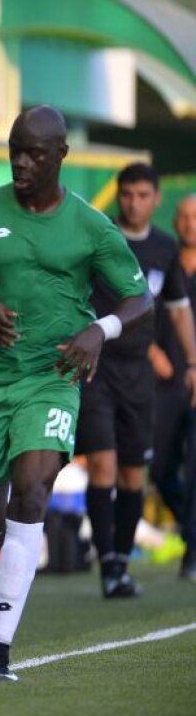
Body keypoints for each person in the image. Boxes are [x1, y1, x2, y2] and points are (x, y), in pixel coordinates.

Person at [0, 105, 152, 682]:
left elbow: (140, 299)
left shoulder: (90, 225)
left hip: (51, 377)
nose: (21, 162)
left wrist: (98, 329)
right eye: (15, 150)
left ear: (61, 155)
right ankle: (18, 538)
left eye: (34, 153)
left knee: (32, 489)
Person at [74, 165, 196, 597]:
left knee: (133, 472)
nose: (134, 203)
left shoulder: (165, 249)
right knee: (103, 464)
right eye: (127, 195)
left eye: (143, 195)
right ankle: (107, 563)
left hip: (140, 380)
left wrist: (193, 364)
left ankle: (121, 563)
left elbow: (179, 309)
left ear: (156, 198)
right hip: (98, 368)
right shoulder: (100, 238)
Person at [154, 194, 196, 580]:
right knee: (159, 467)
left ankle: (193, 552)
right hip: (163, 383)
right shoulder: (163, 260)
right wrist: (151, 351)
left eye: (194, 217)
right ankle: (191, 528)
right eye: (182, 216)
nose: (188, 223)